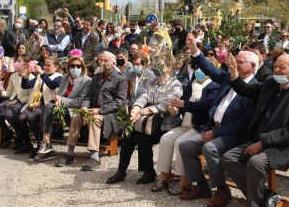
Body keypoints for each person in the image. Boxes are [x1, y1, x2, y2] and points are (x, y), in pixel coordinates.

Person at [221, 53, 289, 206]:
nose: (276, 70)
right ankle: (265, 195)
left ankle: (254, 203)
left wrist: (263, 143)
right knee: (229, 158)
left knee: (256, 163)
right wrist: (233, 72)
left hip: (285, 146)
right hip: (261, 139)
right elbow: (245, 90)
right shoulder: (271, 84)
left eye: (282, 68)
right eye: (275, 66)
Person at [178, 34, 258, 205]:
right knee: (186, 146)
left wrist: (216, 133)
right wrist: (195, 51)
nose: (233, 64)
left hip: (234, 134)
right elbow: (210, 70)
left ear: (252, 67)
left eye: (238, 62)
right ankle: (202, 186)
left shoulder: (255, 88)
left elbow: (244, 123)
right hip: (213, 128)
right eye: (233, 60)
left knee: (210, 148)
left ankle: (222, 191)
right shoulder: (228, 79)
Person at [107, 55, 182, 185]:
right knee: (129, 134)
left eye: (160, 64)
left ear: (169, 67)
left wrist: (142, 112)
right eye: (155, 64)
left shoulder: (175, 84)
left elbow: (165, 105)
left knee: (143, 139)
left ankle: (148, 171)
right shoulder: (152, 82)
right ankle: (121, 170)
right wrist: (134, 111)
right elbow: (143, 98)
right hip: (149, 123)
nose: (156, 67)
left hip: (165, 124)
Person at [153, 57, 219, 194]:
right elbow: (182, 104)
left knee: (180, 143)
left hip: (200, 126)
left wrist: (183, 104)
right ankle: (164, 176)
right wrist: (176, 110)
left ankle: (185, 181)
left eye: (203, 68)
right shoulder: (192, 83)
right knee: (166, 139)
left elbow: (206, 106)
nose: (199, 70)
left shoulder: (214, 86)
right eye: (198, 67)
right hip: (185, 124)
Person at [57, 51, 127, 170]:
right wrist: (84, 106)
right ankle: (69, 153)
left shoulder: (120, 79)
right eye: (101, 60)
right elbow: (88, 96)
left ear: (113, 63)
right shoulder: (96, 77)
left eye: (106, 61)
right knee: (76, 117)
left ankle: (95, 157)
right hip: (92, 110)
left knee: (93, 119)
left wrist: (100, 110)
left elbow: (119, 102)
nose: (102, 63)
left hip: (110, 113)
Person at [34, 56, 91, 161]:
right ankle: (46, 144)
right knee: (47, 107)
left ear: (82, 67)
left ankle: (45, 145)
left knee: (47, 109)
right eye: (72, 65)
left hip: (73, 109)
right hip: (60, 107)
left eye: (78, 66)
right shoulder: (65, 77)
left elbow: (80, 101)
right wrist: (56, 99)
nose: (75, 68)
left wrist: (62, 100)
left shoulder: (87, 80)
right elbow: (59, 93)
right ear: (68, 66)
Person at [18, 56, 63, 160]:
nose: (46, 67)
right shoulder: (39, 76)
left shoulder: (58, 76)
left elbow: (52, 85)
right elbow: (26, 85)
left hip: (47, 104)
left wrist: (42, 73)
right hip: (35, 103)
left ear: (56, 67)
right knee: (21, 118)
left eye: (48, 65)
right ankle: (28, 143)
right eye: (44, 65)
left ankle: (40, 145)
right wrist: (28, 72)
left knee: (31, 117)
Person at [0, 54, 34, 148]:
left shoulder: (31, 77)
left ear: (26, 64)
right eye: (16, 61)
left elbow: (31, 96)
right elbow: (9, 93)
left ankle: (19, 135)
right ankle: (8, 132)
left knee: (8, 113)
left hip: (22, 101)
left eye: (19, 61)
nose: (16, 63)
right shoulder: (13, 76)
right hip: (12, 99)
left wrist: (18, 101)